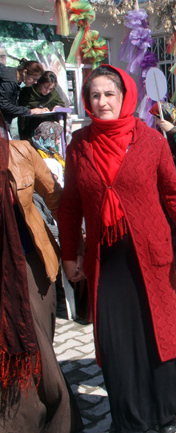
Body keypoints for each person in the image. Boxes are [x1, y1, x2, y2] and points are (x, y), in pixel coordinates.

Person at [58, 65, 176, 433]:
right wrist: (69, 256)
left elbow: (174, 195)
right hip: (106, 260)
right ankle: (129, 419)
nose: (102, 102)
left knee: (159, 335)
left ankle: (166, 416)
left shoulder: (151, 140)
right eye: (95, 95)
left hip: (150, 256)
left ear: (125, 97)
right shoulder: (80, 144)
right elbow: (70, 204)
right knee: (118, 343)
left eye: (109, 94)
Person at [0, 112, 83, 433]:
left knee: (38, 348)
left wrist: (76, 250)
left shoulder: (22, 152)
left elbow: (58, 200)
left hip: (31, 267)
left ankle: (55, 417)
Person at [0, 59, 47, 131]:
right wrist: (30, 111)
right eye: (34, 79)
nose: (35, 82)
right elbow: (4, 105)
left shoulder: (13, 78)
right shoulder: (8, 82)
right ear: (25, 72)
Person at [18, 71, 66, 140]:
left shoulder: (53, 94)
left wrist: (58, 107)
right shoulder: (27, 92)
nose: (47, 91)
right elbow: (22, 109)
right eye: (45, 87)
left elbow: (61, 104)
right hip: (29, 129)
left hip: (48, 131)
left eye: (50, 89)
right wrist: (36, 110)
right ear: (39, 83)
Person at [30, 121, 65, 187]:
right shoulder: (39, 156)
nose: (58, 142)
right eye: (57, 139)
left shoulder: (53, 153)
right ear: (47, 138)